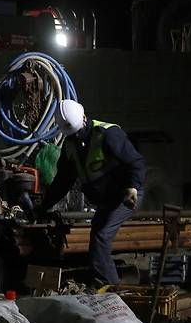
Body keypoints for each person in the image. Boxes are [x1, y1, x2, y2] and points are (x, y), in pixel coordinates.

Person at [38, 100, 145, 285]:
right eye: (72, 134)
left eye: (78, 131)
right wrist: (43, 206)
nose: (77, 136)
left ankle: (110, 288)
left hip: (126, 195)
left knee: (100, 236)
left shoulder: (107, 134)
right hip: (106, 199)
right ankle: (104, 283)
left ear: (85, 119)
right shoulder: (70, 145)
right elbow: (62, 182)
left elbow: (135, 162)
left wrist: (133, 187)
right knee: (97, 236)